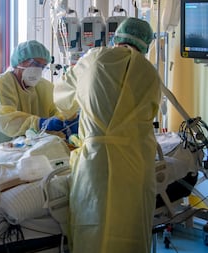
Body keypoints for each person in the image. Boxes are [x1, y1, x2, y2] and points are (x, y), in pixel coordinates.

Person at [54, 17, 161, 253]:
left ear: (117, 37)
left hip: (96, 162)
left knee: (94, 229)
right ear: (145, 44)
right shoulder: (150, 73)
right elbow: (151, 113)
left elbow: (62, 100)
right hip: (136, 163)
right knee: (132, 229)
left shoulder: (94, 59)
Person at [0, 40, 78, 152]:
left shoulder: (44, 86)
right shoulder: (1, 84)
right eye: (35, 64)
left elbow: (57, 110)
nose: (38, 69)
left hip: (24, 151)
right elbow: (5, 119)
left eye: (43, 66)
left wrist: (68, 120)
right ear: (19, 62)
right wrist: (39, 123)